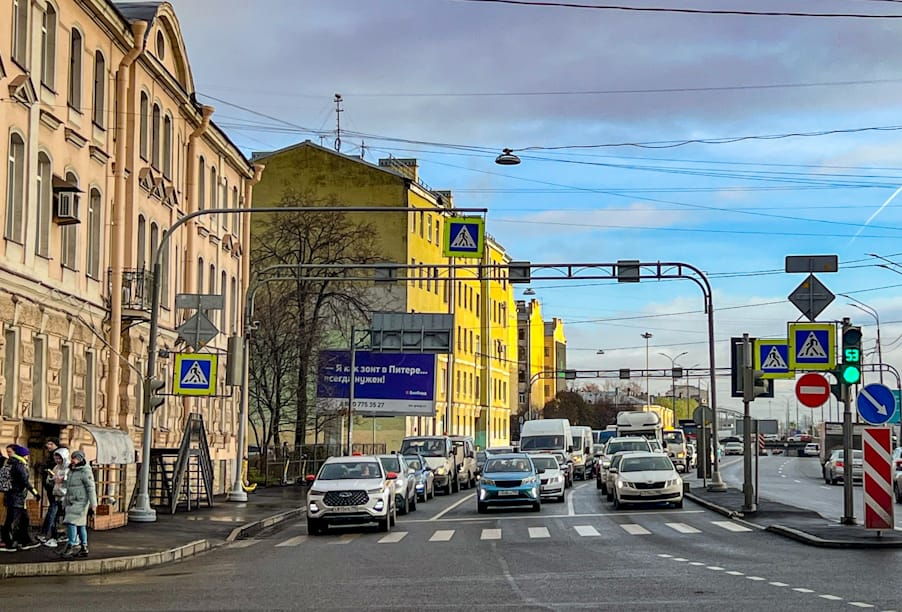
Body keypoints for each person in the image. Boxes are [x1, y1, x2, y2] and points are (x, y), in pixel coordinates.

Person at [0, 444, 41, 552]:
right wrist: (35, 492)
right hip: (16, 496)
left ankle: (24, 541)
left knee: (23, 520)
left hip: (13, 496)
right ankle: (10, 543)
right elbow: (25, 481)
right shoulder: (19, 464)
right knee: (14, 520)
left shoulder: (10, 463)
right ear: (23, 455)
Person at [60, 450, 96, 559]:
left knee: (71, 521)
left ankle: (71, 545)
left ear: (80, 459)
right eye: (72, 458)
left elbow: (91, 488)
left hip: (81, 501)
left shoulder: (85, 471)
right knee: (80, 525)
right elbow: (70, 484)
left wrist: (93, 503)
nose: (72, 460)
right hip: (71, 500)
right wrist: (61, 481)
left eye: (74, 458)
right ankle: (84, 547)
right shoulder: (72, 470)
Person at [39, 448, 69, 548]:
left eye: (59, 459)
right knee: (55, 517)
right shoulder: (56, 467)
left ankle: (63, 536)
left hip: (65, 495)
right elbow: (51, 480)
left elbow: (71, 480)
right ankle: (55, 536)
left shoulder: (69, 467)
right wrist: (51, 477)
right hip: (56, 494)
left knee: (62, 517)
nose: (57, 461)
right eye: (55, 459)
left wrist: (63, 479)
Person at [38, 438, 63, 546]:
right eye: (47, 443)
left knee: (54, 509)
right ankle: (55, 534)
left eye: (51, 443)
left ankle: (45, 533)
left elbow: (61, 476)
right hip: (51, 487)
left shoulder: (58, 459)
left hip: (57, 488)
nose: (48, 445)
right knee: (55, 510)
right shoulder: (50, 456)